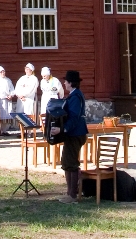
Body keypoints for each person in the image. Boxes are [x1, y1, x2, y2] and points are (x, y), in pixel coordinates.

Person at [52, 70, 88, 204]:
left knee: (71, 163)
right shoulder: (74, 95)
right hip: (73, 134)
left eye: (66, 81)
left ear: (71, 83)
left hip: (75, 134)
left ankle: (73, 195)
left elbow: (74, 117)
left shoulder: (75, 97)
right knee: (67, 162)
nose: (64, 83)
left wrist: (62, 129)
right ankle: (70, 192)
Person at [0, 66, 15, 135]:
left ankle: (4, 130)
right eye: (1, 72)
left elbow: (12, 89)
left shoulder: (8, 80)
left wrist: (11, 95)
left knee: (6, 115)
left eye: (3, 71)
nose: (3, 73)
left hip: (7, 100)